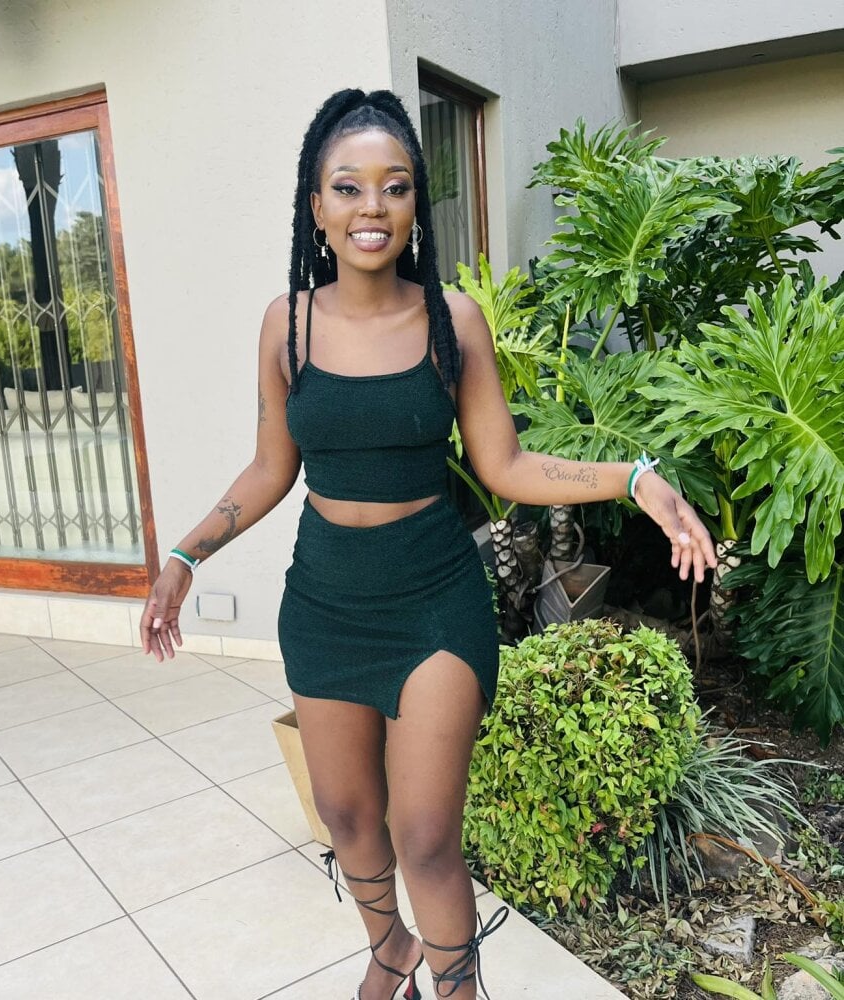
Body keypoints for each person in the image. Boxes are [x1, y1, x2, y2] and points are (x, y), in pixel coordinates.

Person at [140, 88, 717, 1000]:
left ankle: (457, 989)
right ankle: (390, 951)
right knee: (345, 815)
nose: (371, 206)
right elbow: (271, 467)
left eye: (395, 185)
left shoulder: (453, 322)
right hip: (326, 599)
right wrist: (185, 555)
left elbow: (506, 464)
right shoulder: (286, 324)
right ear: (317, 207)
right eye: (348, 187)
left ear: (415, 204)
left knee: (424, 836)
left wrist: (635, 476)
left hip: (434, 601)